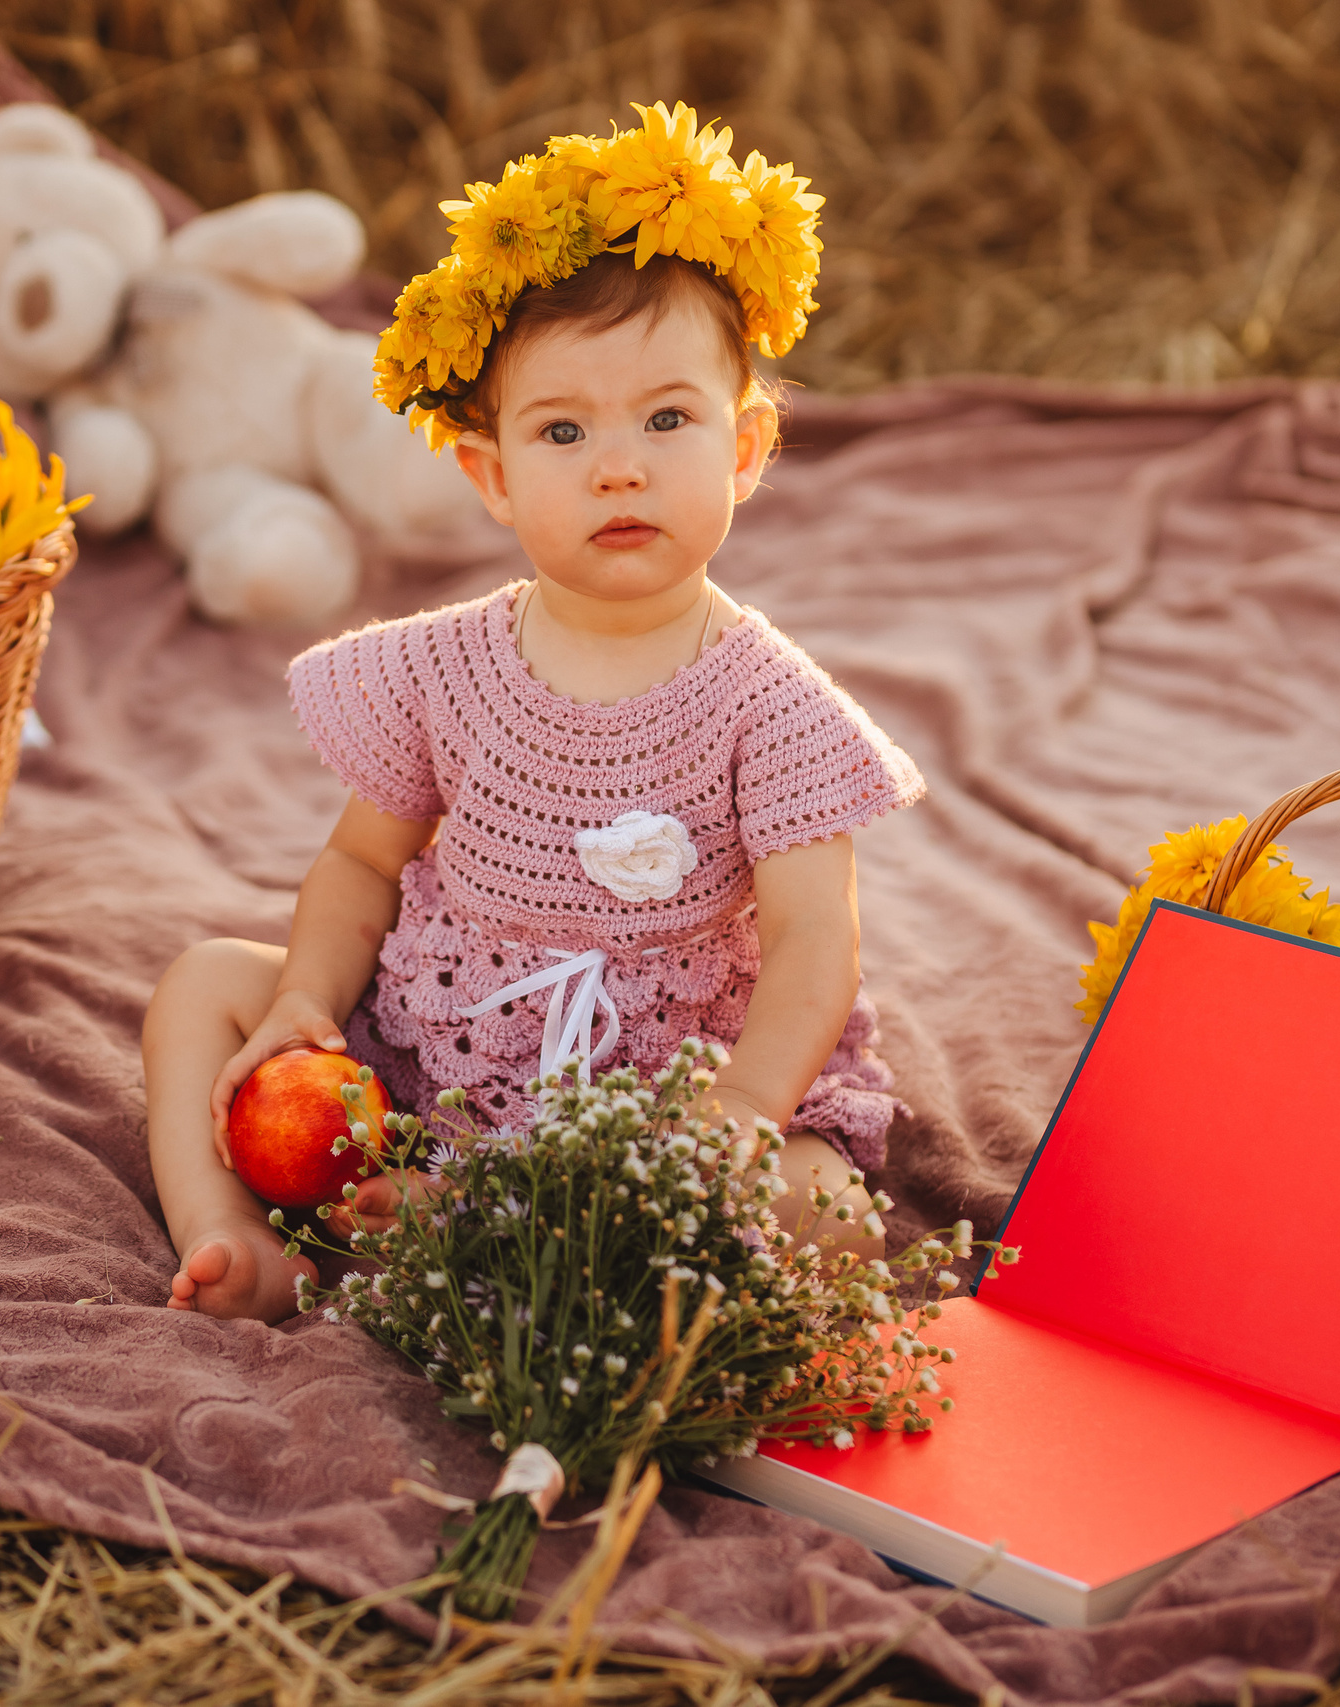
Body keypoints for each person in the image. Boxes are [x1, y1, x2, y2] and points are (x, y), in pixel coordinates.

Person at [142, 104, 925, 1321]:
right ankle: (236, 1236)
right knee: (204, 986)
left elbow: (817, 936)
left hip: (670, 1094)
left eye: (666, 419)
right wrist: (306, 994)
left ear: (745, 448)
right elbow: (362, 862)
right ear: (492, 475)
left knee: (824, 1217)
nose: (619, 466)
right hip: (441, 1053)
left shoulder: (772, 706)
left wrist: (739, 1110)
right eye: (563, 430)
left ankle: (500, 1224)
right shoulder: (443, 668)